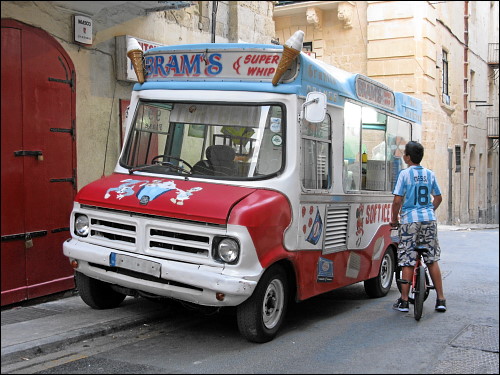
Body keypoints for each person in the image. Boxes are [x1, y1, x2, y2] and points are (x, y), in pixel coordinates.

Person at [390, 141, 446, 313]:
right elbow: (438, 197)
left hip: (409, 221)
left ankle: (405, 301)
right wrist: (428, 210)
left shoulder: (404, 174)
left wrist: (394, 219)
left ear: (407, 157)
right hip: (428, 220)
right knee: (432, 259)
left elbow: (397, 200)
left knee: (407, 259)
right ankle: (441, 299)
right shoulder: (430, 174)